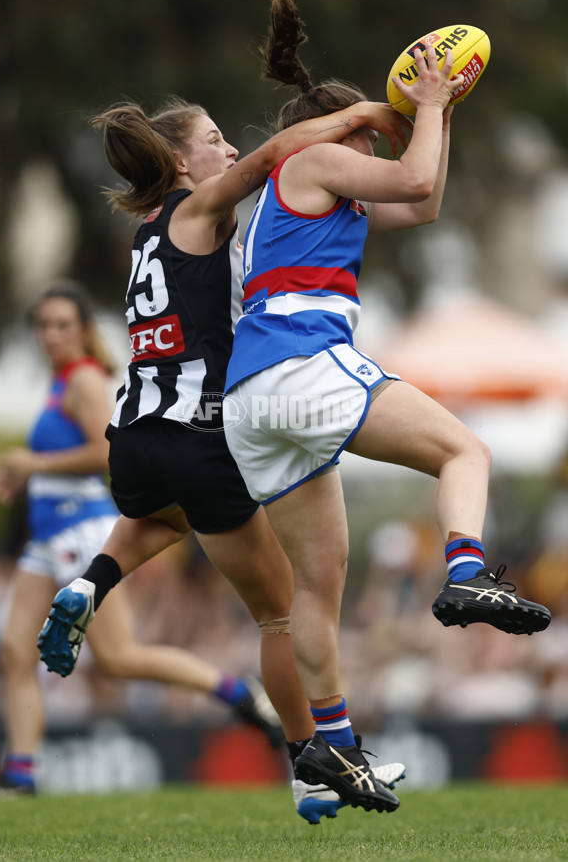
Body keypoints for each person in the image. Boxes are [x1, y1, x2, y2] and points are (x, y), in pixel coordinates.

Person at [36, 96, 410, 819]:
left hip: (135, 438)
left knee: (169, 518)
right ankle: (315, 769)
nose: (230, 152)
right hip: (202, 434)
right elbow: (275, 156)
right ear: (181, 162)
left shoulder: (147, 232)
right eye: (213, 141)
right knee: (278, 613)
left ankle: (91, 582)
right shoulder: (197, 209)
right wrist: (358, 112)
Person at [223, 0, 552, 809]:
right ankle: (468, 571)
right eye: (370, 133)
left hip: (253, 402)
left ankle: (333, 750)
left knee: (319, 584)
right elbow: (411, 172)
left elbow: (424, 195)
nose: (375, 146)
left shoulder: (288, 199)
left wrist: (441, 113)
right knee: (463, 451)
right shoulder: (317, 159)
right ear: (345, 129)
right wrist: (427, 106)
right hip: (302, 364)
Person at [0, 280, 285, 795]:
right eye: (43, 325)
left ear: (82, 332)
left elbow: (105, 454)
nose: (51, 335)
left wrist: (32, 463)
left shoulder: (83, 380)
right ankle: (21, 775)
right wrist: (29, 474)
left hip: (82, 528)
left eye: (62, 325)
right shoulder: (57, 384)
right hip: (45, 536)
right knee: (13, 654)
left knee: (119, 659)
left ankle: (235, 691)